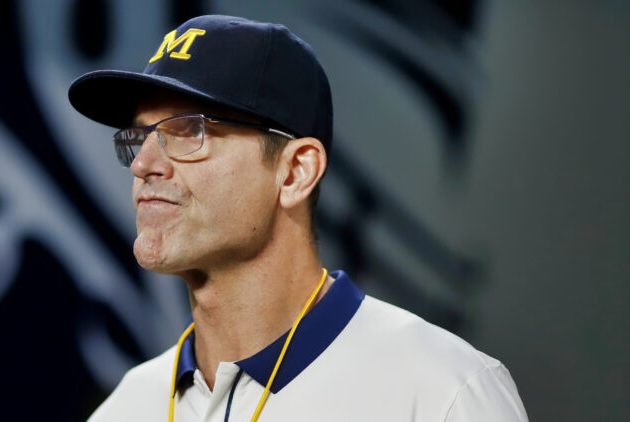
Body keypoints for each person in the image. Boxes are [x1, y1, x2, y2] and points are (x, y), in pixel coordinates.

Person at [68, 14, 528, 422]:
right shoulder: (127, 407)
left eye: (189, 130)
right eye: (138, 136)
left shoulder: (445, 392)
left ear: (295, 171)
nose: (142, 163)